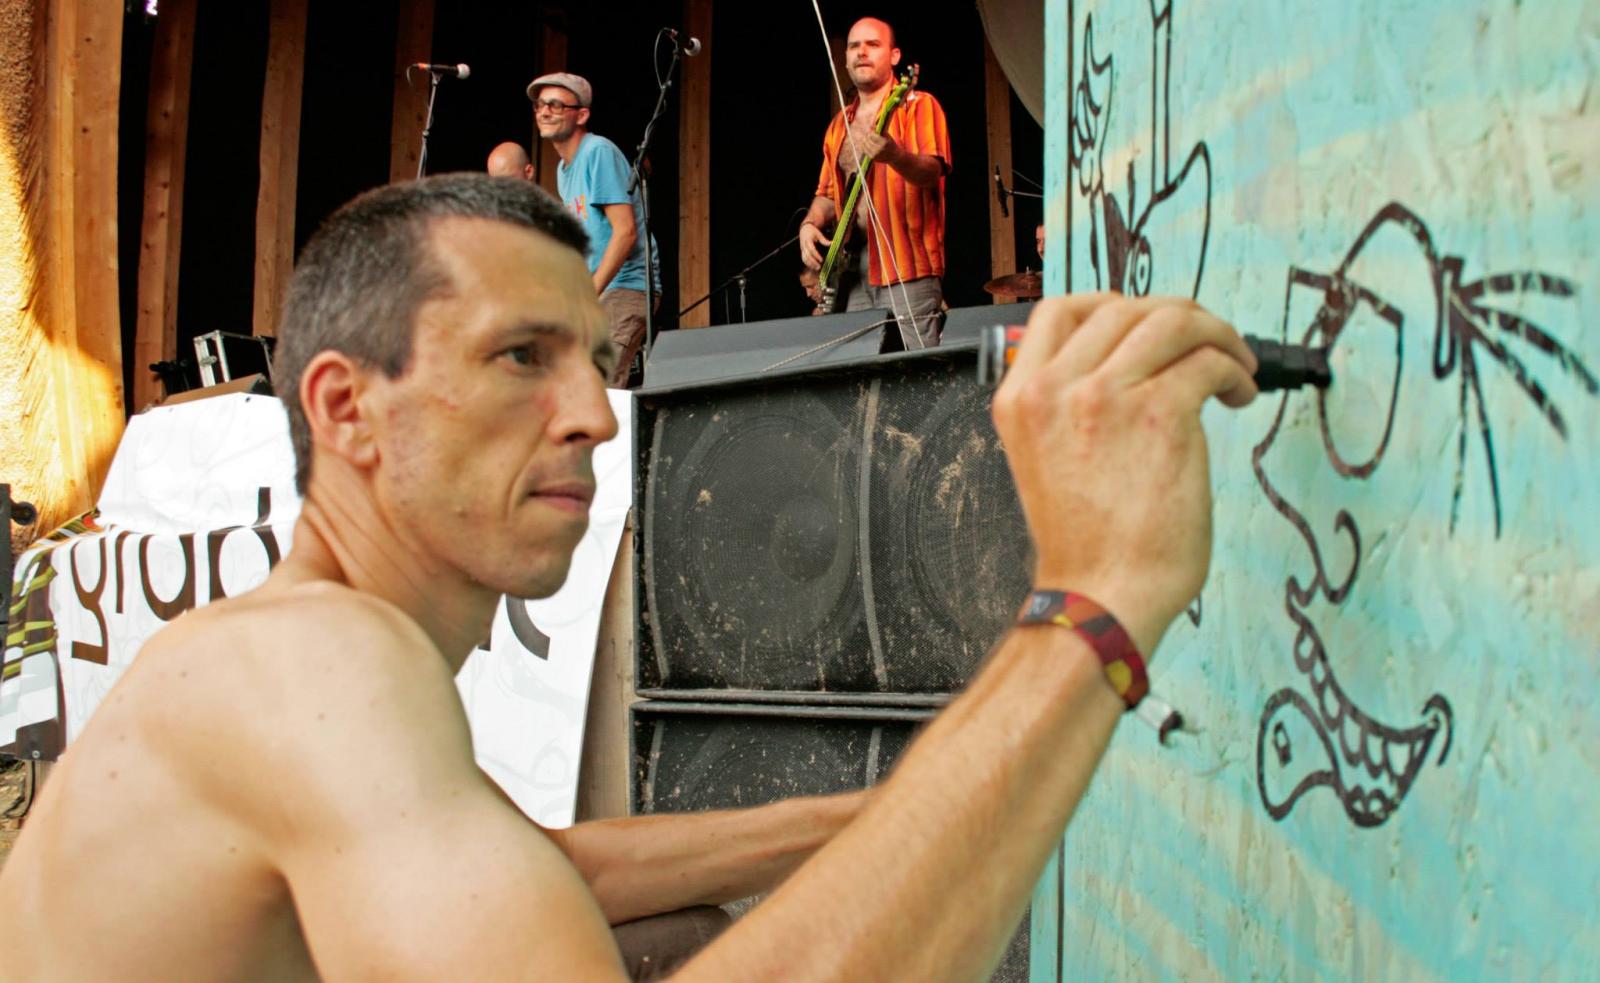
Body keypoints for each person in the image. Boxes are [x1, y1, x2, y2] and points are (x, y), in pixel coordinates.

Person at [0, 172, 1261, 981]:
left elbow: (550, 868)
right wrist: (1091, 599)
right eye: (520, 357)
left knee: (665, 927)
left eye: (593, 363)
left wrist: (889, 808)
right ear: (346, 407)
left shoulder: (287, 654)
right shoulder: (305, 663)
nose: (597, 415)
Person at [799, 17, 951, 349]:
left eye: (873, 44)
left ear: (894, 56)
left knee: (919, 367)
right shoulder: (839, 125)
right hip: (853, 272)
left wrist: (896, 157)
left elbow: (932, 172)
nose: (862, 52)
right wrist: (810, 224)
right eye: (854, 46)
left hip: (908, 266)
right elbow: (827, 194)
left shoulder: (919, 106)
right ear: (845, 59)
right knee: (859, 370)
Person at [528, 71, 659, 388]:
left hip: (626, 287)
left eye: (556, 105)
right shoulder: (564, 169)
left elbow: (625, 232)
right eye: (540, 105)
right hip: (601, 291)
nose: (544, 111)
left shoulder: (597, 152)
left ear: (582, 115)